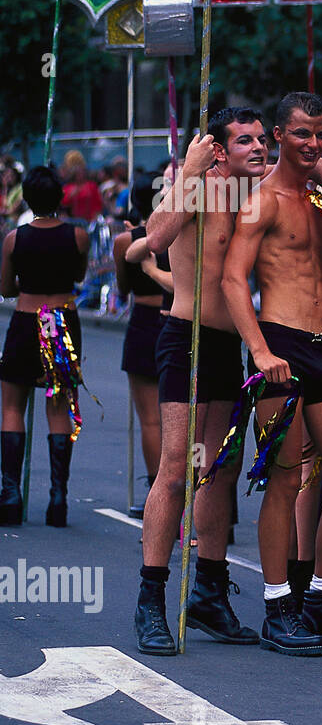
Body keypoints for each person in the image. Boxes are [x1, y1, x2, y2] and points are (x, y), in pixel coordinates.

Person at [222, 92, 322, 655]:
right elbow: (233, 280)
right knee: (286, 480)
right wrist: (260, 352)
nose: (312, 144)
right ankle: (276, 604)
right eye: (300, 134)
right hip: (281, 345)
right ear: (279, 135)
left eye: (320, 133)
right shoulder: (262, 201)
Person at [133, 109, 269, 655]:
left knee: (220, 469)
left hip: (226, 345)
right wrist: (189, 172)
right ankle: (150, 602)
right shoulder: (200, 187)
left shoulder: (256, 192)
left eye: (263, 138)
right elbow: (156, 236)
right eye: (245, 140)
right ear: (218, 149)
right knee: (176, 471)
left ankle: (209, 593)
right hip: (183, 338)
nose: (259, 147)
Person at [0, 166, 89, 527]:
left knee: (11, 406)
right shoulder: (78, 236)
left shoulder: (14, 238)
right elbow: (79, 276)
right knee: (58, 406)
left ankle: (9, 494)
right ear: (60, 197)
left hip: (25, 320)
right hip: (63, 321)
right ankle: (58, 497)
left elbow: (5, 288)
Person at [113, 176, 169, 514]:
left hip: (143, 322)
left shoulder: (126, 240)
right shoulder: (179, 233)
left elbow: (122, 289)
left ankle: (156, 491)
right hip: (175, 319)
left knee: (151, 420)